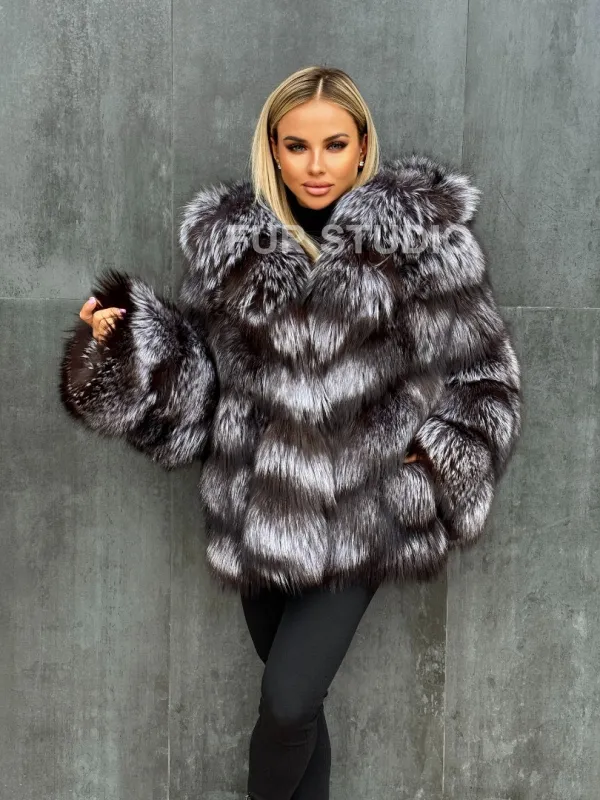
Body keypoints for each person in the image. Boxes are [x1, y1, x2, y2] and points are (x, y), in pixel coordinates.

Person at [58, 65, 523, 800]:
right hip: (257, 512)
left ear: (362, 145)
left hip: (363, 517)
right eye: (296, 145)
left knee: (287, 702)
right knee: (302, 712)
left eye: (334, 144)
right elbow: (202, 389)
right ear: (272, 149)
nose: (315, 165)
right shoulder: (230, 251)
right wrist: (127, 348)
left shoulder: (423, 244)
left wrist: (430, 465)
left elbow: (486, 376)